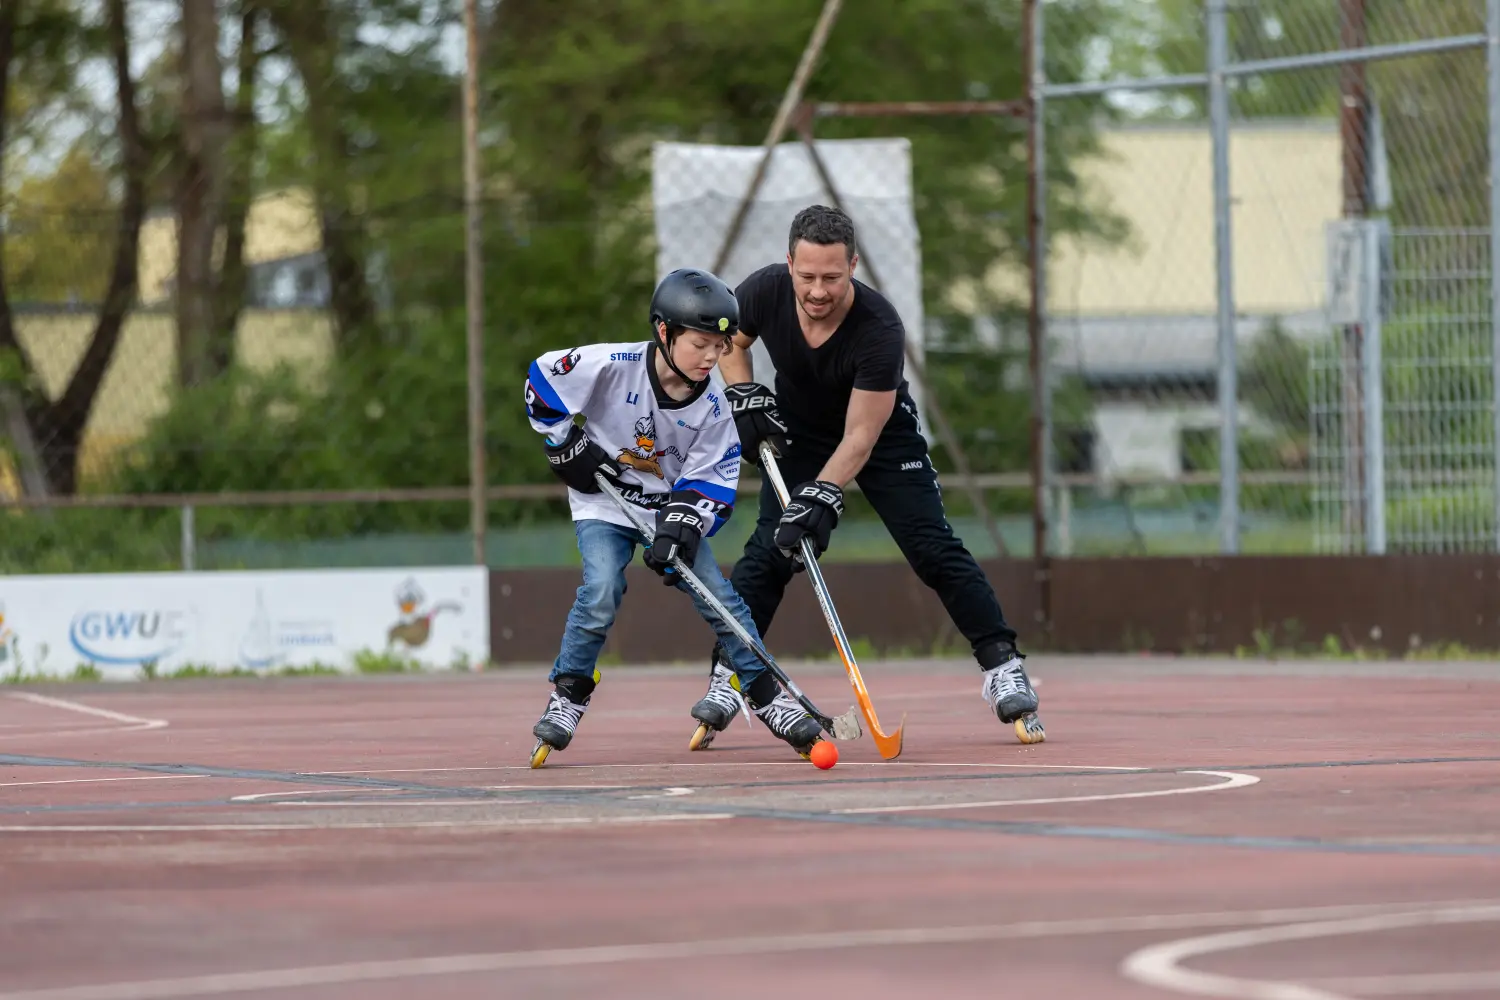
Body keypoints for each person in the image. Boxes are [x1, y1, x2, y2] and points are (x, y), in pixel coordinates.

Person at [687, 204, 1046, 746]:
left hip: (878, 434)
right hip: (799, 430)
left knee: (930, 545)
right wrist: (743, 392)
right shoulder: (762, 291)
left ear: (852, 265)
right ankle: (730, 673)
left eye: (832, 277)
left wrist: (821, 495)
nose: (817, 290)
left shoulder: (879, 328)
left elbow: (859, 437)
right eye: (806, 276)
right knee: (770, 549)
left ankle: (1001, 666)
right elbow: (734, 341)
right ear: (789, 264)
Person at [523, 266, 825, 766]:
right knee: (601, 589)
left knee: (719, 598)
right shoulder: (610, 364)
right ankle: (570, 692)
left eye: (721, 347)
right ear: (664, 332)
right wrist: (561, 442)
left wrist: (682, 526)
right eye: (701, 343)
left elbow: (712, 481)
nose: (712, 357)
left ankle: (765, 693)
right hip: (605, 500)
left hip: (669, 506)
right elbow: (542, 380)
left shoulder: (715, 407)